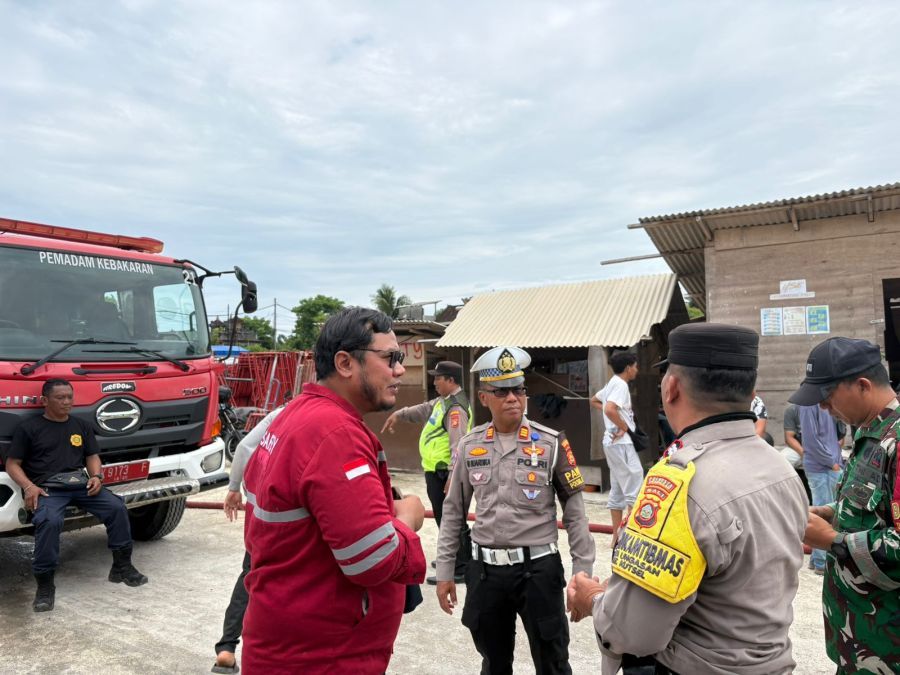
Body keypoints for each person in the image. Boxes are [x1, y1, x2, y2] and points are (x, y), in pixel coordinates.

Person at [569, 323, 808, 674]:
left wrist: (592, 598)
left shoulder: (680, 483)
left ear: (672, 387)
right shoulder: (782, 469)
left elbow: (632, 631)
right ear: (750, 389)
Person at [240, 307, 426, 674]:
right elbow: (372, 559)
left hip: (295, 642)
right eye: (390, 358)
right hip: (323, 656)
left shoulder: (296, 415)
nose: (400, 370)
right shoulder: (334, 433)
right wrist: (407, 520)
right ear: (345, 363)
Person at [436, 346, 595, 675]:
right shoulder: (469, 445)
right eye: (502, 391)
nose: (513, 398)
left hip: (538, 572)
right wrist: (446, 572)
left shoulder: (550, 443)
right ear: (484, 398)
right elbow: (453, 513)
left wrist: (583, 572)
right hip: (486, 573)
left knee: (552, 661)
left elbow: (576, 514)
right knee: (493, 662)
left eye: (518, 390)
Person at [790, 336, 900, 672]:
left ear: (863, 385)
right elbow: (875, 514)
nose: (823, 408)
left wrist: (832, 541)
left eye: (827, 397)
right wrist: (831, 514)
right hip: (860, 642)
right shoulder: (870, 436)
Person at [5, 378, 148, 612]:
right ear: (44, 400)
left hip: (81, 484)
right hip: (48, 488)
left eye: (69, 397)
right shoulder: (29, 428)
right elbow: (13, 463)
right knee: (49, 521)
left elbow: (92, 456)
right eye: (60, 398)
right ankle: (45, 586)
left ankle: (122, 567)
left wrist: (96, 477)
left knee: (116, 507)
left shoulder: (80, 426)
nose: (66, 402)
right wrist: (29, 487)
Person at [381, 360, 472, 584]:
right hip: (435, 470)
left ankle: (461, 566)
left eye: (438, 378)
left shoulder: (456, 409)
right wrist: (399, 414)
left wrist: (453, 475)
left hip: (444, 472)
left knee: (452, 518)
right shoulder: (443, 401)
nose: (434, 382)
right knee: (444, 517)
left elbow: (458, 446)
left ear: (451, 380)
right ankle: (452, 558)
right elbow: (422, 410)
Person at [211, 405, 284, 674]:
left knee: (249, 576)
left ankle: (227, 647)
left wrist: (233, 489)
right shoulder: (325, 419)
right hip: (293, 519)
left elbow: (243, 448)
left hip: (261, 514)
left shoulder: (281, 414)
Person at [590, 351, 642, 534]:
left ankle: (616, 536)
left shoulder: (611, 383)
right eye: (635, 366)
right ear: (628, 368)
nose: (637, 370)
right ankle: (632, 533)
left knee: (618, 487)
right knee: (634, 485)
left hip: (611, 442)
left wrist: (613, 418)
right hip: (621, 442)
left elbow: (595, 400)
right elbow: (610, 409)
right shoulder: (620, 385)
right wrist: (624, 426)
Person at [798, 404, 844, 575]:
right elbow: (810, 439)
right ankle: (820, 562)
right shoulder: (808, 404)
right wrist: (832, 463)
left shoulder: (825, 401)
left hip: (831, 464)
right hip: (821, 467)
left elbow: (834, 434)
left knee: (828, 511)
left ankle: (817, 560)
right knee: (821, 514)